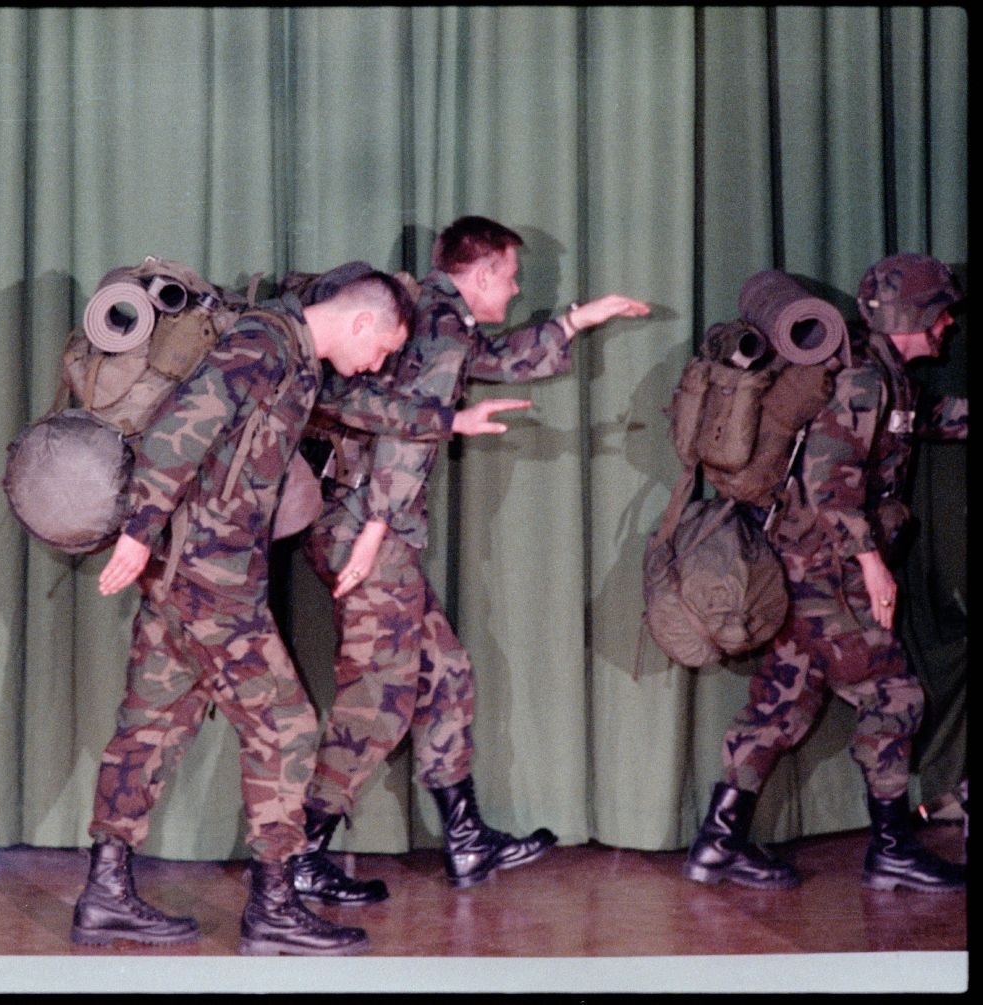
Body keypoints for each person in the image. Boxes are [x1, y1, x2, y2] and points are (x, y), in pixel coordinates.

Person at [290, 216, 651, 903]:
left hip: (366, 521)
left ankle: (465, 838)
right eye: (511, 277)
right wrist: (374, 531)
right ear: (481, 273)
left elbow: (493, 360)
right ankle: (300, 851)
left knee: (446, 673)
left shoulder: (433, 314)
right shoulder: (440, 326)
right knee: (379, 696)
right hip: (369, 525)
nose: (515, 291)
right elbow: (406, 438)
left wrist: (579, 319)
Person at [73, 270, 429, 957]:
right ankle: (273, 904)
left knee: (151, 721)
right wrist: (139, 526)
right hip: (210, 576)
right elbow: (180, 430)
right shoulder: (264, 343)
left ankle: (105, 892)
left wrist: (446, 418)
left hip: (192, 571)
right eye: (384, 347)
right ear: (361, 322)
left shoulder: (291, 357)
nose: (380, 362)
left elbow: (346, 411)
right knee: (287, 726)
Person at [684, 252, 967, 894]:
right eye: (941, 312)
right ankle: (892, 848)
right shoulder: (864, 380)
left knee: (781, 707)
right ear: (912, 315)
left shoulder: (882, 377)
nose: (949, 324)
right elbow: (827, 485)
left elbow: (923, 419)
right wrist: (873, 567)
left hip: (800, 566)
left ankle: (716, 846)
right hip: (827, 573)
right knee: (896, 698)